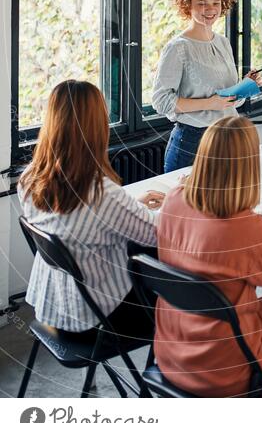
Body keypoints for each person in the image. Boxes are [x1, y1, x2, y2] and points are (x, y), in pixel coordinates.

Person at [155, 116, 262, 397]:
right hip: (225, 369)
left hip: (172, 354)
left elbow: (214, 249)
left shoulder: (174, 199)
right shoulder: (244, 228)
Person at [18, 80, 165, 337]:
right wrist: (184, 200)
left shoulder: (30, 178)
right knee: (179, 296)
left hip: (52, 305)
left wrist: (132, 206)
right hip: (96, 317)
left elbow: (74, 219)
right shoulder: (101, 194)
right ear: (97, 127)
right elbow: (160, 235)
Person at [152, 0, 262, 172]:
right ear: (187, 5)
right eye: (202, 3)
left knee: (225, 204)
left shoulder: (223, 43)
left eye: (216, 3)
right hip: (193, 141)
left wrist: (245, 85)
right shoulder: (178, 47)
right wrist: (209, 103)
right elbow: (161, 102)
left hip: (227, 139)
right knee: (189, 203)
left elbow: (229, 101)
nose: (210, 9)